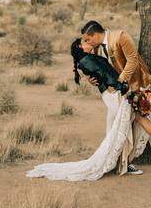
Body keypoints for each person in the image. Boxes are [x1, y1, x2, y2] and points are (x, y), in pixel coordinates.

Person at [80, 20, 151, 176]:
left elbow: (133, 59)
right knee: (115, 125)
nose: (87, 42)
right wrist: (92, 81)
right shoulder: (96, 51)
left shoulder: (121, 36)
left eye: (87, 39)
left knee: (148, 119)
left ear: (95, 35)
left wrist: (120, 80)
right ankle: (118, 162)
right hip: (120, 93)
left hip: (140, 84)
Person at [24, 39, 142, 181]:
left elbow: (102, 73)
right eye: (85, 41)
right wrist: (120, 87)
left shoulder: (87, 59)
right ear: (80, 47)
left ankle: (117, 162)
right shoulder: (86, 60)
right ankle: (123, 163)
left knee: (113, 128)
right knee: (121, 128)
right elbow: (105, 75)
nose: (88, 41)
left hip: (111, 93)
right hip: (113, 93)